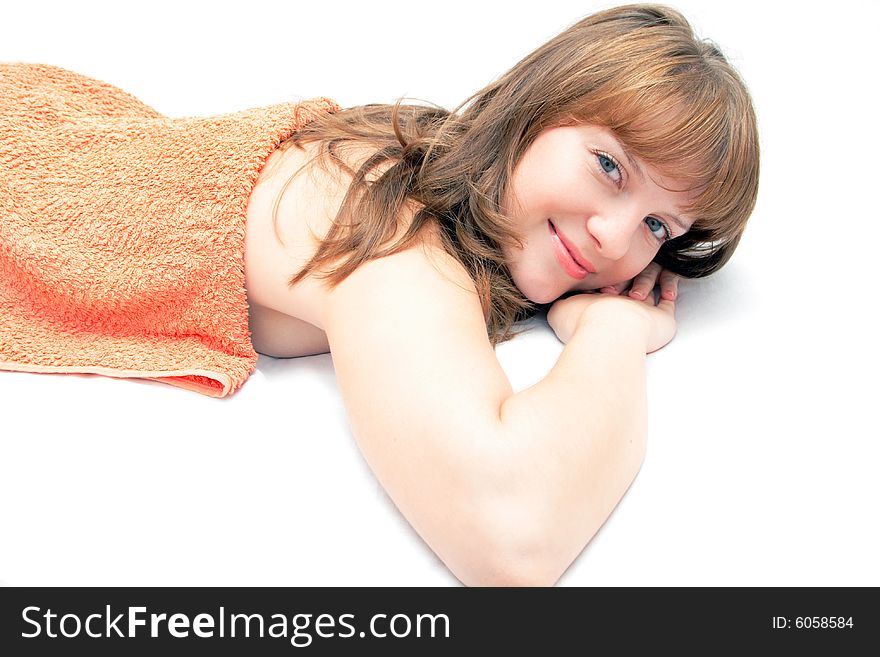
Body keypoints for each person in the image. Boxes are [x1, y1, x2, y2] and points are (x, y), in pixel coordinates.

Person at [4, 4, 759, 586]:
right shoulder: (390, 228)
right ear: (535, 111)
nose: (615, 238)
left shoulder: (447, 181)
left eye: (659, 224)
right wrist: (615, 334)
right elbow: (512, 531)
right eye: (610, 165)